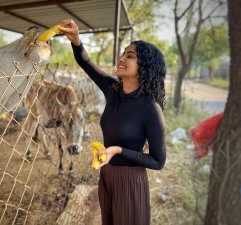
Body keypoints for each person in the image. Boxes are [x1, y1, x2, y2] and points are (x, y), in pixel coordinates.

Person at [59, 19, 166, 225]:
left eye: (130, 56)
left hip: (130, 181)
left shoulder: (150, 109)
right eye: (122, 53)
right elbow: (86, 63)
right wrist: (75, 40)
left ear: (145, 67)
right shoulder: (113, 90)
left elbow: (158, 161)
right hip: (107, 174)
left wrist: (118, 150)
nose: (121, 58)